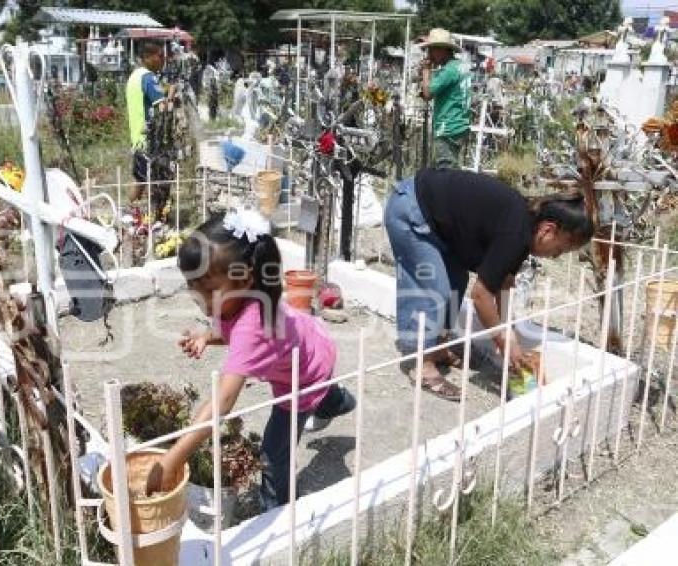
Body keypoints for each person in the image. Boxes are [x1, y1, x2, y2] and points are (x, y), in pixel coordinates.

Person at [144, 210, 356, 509]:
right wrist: (207, 336)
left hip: (303, 375)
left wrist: (172, 459)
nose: (203, 301)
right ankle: (338, 400)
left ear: (245, 278)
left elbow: (223, 401)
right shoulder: (240, 298)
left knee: (273, 452)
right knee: (323, 396)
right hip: (310, 347)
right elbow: (233, 332)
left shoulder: (253, 322)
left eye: (209, 290)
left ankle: (276, 510)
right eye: (195, 290)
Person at [384, 169, 595, 400]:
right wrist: (503, 341)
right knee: (435, 289)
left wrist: (508, 333)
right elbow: (481, 295)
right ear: (548, 230)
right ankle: (421, 364)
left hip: (438, 224)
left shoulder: (524, 230)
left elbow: (503, 284)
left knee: (457, 282)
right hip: (413, 209)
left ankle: (438, 348)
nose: (556, 256)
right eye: (561, 249)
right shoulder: (516, 231)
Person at [420, 28, 471, 169]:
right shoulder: (461, 66)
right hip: (459, 125)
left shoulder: (449, 70)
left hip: (447, 128)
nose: (429, 54)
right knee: (452, 170)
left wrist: (426, 70)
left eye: (431, 50)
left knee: (446, 174)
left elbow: (427, 94)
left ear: (442, 50)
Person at [125, 41, 168, 203]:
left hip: (137, 138)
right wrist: (172, 93)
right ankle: (153, 217)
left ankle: (130, 211)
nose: (163, 60)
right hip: (149, 139)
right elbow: (163, 106)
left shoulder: (134, 76)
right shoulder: (149, 78)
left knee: (141, 179)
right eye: (160, 56)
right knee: (154, 180)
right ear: (148, 57)